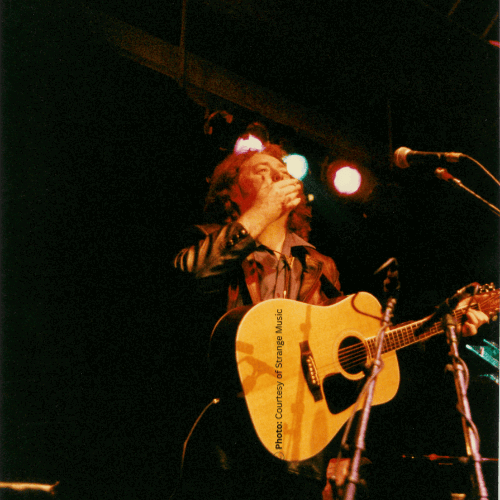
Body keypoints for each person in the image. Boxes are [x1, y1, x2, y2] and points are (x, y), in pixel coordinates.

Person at [171, 140, 489, 500]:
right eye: (262, 171)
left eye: (283, 172)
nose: (278, 175)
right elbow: (190, 276)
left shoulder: (321, 267)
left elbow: (355, 352)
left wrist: (443, 327)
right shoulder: (206, 240)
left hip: (300, 452)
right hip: (225, 441)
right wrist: (260, 213)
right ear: (230, 192)